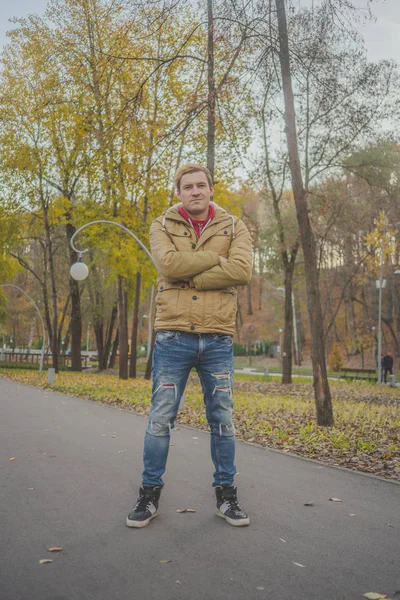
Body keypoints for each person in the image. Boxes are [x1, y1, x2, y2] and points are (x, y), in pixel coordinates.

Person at [126, 163, 252, 528]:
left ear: (211, 189)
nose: (195, 191)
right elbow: (167, 265)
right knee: (161, 418)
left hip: (217, 338)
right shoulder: (162, 225)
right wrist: (216, 259)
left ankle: (226, 495)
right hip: (173, 336)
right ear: (179, 192)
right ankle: (149, 494)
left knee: (223, 419)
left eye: (201, 185)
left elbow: (242, 271)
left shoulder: (234, 226)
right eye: (188, 186)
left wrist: (189, 273)